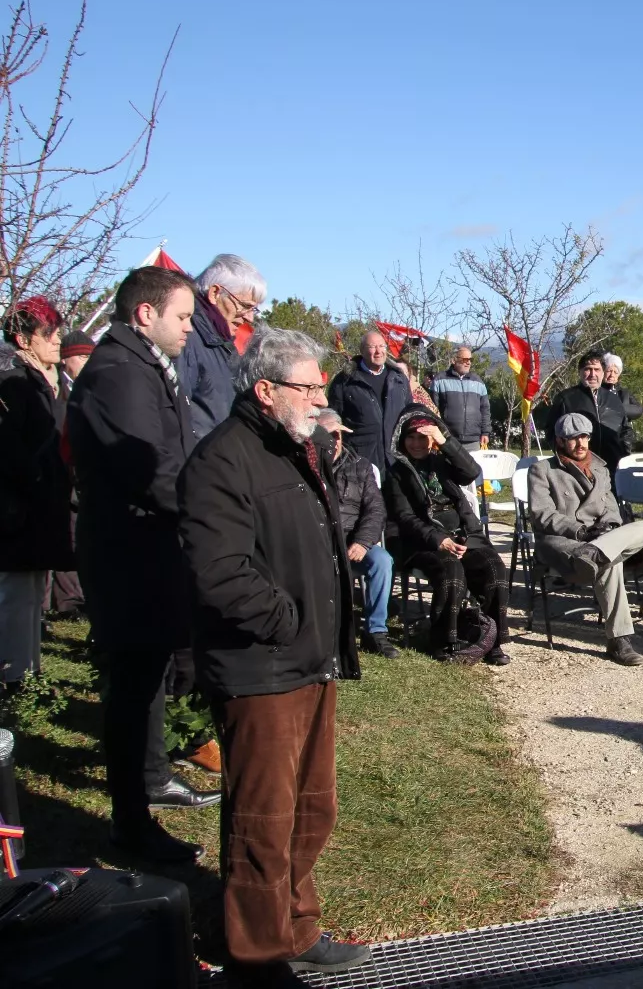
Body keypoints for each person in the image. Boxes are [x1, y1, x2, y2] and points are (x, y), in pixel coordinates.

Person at [177, 325, 369, 987]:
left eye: (320, 386)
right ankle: (256, 955)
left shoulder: (296, 449)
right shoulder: (220, 462)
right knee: (263, 819)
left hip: (311, 665)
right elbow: (220, 573)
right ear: (265, 390)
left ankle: (297, 925)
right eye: (309, 387)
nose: (321, 398)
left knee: (313, 808)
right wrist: (287, 618)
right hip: (260, 668)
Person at [66, 266, 218, 863]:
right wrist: (208, 513)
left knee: (148, 681)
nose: (190, 328)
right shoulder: (121, 372)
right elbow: (149, 467)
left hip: (148, 548)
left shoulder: (140, 364)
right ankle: (130, 826)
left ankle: (149, 785)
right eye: (182, 317)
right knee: (132, 689)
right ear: (145, 314)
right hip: (130, 554)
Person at [383, 404, 511, 664]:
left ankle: (493, 641)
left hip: (464, 535)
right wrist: (439, 540)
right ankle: (445, 641)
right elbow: (405, 518)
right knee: (452, 573)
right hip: (423, 542)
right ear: (401, 439)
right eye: (411, 437)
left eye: (423, 437)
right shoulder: (396, 474)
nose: (417, 443)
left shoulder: (442, 462)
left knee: (495, 570)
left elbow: (472, 472)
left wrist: (446, 441)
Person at [527, 413, 643, 666]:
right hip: (565, 542)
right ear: (560, 441)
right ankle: (619, 640)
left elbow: (611, 509)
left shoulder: (601, 469)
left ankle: (596, 553)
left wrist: (608, 528)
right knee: (611, 562)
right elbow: (542, 515)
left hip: (599, 541)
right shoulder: (542, 470)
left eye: (584, 436)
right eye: (573, 438)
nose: (580, 443)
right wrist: (581, 532)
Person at [0, 297, 73, 688]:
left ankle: (28, 670)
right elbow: (10, 448)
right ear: (23, 338)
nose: (58, 340)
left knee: (31, 591)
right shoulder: (11, 380)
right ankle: (13, 673)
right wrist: (37, 482)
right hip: (18, 506)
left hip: (38, 502)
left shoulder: (39, 379)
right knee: (14, 593)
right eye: (51, 333)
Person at [317, 408, 399, 659]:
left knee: (382, 560)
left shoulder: (361, 467)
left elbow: (376, 510)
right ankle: (322, 630)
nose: (334, 441)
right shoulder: (303, 465)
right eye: (327, 435)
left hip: (354, 539)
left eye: (337, 435)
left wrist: (363, 542)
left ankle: (375, 631)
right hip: (319, 540)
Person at [178, 254, 267, 438]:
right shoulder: (185, 339)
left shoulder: (223, 342)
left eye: (254, 309)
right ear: (215, 293)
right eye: (245, 306)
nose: (249, 317)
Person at [49, 329, 94, 617]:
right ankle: (60, 601)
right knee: (65, 531)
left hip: (76, 470)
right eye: (81, 357)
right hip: (58, 468)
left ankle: (72, 598)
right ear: (66, 360)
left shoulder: (88, 386)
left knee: (76, 534)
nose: (86, 364)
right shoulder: (58, 388)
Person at [326, 330, 412, 471]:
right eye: (372, 347)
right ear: (361, 351)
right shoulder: (345, 381)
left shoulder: (399, 379)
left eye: (382, 346)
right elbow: (333, 419)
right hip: (361, 461)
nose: (378, 351)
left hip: (397, 459)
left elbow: (410, 413)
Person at [548, 350, 633, 468]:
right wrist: (566, 459)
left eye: (597, 370)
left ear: (603, 373)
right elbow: (552, 432)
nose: (593, 374)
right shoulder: (565, 399)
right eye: (588, 369)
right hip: (578, 468)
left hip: (612, 467)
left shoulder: (614, 399)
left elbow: (625, 429)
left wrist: (624, 452)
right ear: (580, 372)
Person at [431, 344, 491, 450]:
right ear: (454, 360)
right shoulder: (439, 380)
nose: (468, 362)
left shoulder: (478, 382)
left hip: (473, 442)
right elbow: (432, 410)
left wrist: (485, 432)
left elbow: (485, 409)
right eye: (465, 359)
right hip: (448, 439)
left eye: (470, 359)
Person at [602, 352, 643, 437]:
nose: (612, 375)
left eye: (615, 372)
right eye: (609, 371)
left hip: (620, 437)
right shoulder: (597, 390)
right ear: (603, 372)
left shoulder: (624, 393)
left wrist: (615, 408)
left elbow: (638, 410)